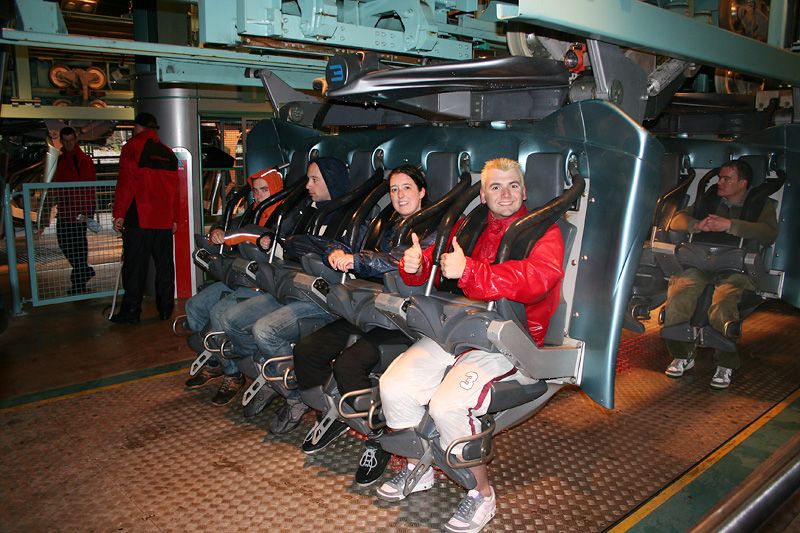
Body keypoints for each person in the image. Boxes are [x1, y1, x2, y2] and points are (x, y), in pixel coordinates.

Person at [377, 158, 564, 533]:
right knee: (393, 385)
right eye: (495, 187)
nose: (505, 194)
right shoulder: (473, 225)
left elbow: (537, 278)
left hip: (509, 339)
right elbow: (439, 259)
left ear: (525, 191)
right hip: (463, 326)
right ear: (483, 195)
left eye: (513, 185)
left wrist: (472, 272)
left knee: (448, 404)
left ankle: (482, 494)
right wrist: (415, 265)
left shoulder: (545, 231)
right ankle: (418, 468)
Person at [292, 164, 434, 486]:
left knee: (348, 364)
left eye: (407, 188)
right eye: (394, 189)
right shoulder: (386, 225)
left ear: (422, 192)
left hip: (406, 321)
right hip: (371, 311)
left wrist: (357, 260)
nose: (399, 195)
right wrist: (337, 252)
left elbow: (395, 259)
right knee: (307, 351)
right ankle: (337, 412)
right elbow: (359, 250)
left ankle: (379, 437)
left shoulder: (431, 229)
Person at [208, 157, 352, 414]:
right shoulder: (305, 211)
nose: (307, 185)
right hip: (290, 287)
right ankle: (271, 372)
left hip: (320, 297)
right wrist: (266, 238)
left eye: (314, 180)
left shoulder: (348, 217)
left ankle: (293, 395)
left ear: (331, 181)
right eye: (308, 179)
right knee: (230, 320)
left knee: (265, 331)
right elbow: (278, 237)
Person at [663, 159, 778, 389]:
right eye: (720, 177)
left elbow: (769, 234)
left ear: (743, 183)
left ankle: (726, 364)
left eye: (727, 178)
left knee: (722, 305)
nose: (720, 182)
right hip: (700, 263)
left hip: (735, 268)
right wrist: (697, 225)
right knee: (677, 298)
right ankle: (682, 354)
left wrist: (730, 225)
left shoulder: (760, 205)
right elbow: (675, 220)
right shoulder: (708, 201)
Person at [184, 169, 284, 407]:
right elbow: (228, 226)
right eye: (255, 190)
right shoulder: (252, 211)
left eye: (264, 190)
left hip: (261, 284)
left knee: (219, 313)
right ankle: (215, 358)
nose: (258, 195)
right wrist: (217, 230)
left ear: (276, 190)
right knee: (194, 306)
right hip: (239, 276)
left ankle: (232, 374)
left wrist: (232, 236)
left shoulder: (283, 216)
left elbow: (257, 238)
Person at [111, 112, 179, 324]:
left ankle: (131, 312)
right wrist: (174, 218)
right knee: (165, 266)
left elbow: (126, 183)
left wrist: (119, 213)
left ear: (137, 127)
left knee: (135, 268)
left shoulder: (132, 148)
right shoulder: (168, 153)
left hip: (139, 218)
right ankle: (166, 309)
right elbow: (175, 191)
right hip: (164, 220)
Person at [52, 126, 97, 295]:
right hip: (68, 211)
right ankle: (82, 274)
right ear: (62, 141)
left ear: (75, 140)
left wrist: (86, 212)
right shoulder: (66, 160)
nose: (69, 144)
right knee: (73, 246)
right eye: (66, 141)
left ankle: (80, 280)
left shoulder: (79, 160)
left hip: (76, 213)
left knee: (73, 247)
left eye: (71, 140)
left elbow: (88, 187)